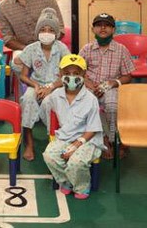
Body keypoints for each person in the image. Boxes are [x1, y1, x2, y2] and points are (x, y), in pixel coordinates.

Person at [42, 54, 103, 200]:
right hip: (64, 136)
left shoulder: (91, 99)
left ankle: (82, 185)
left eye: (76, 73)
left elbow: (93, 129)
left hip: (88, 140)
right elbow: (45, 115)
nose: (71, 77)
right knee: (49, 156)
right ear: (60, 74)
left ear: (84, 75)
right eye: (67, 73)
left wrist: (76, 145)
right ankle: (66, 181)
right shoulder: (55, 96)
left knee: (76, 162)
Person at [79, 13, 135, 159]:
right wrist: (90, 84)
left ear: (113, 29)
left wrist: (113, 82)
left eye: (107, 25)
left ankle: (115, 139)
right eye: (99, 25)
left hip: (111, 87)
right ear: (93, 29)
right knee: (88, 106)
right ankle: (103, 139)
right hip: (90, 86)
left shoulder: (121, 49)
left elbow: (128, 75)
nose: (103, 28)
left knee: (111, 106)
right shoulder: (87, 49)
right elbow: (78, 72)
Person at [18, 8, 70, 161]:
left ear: (56, 33)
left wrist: (50, 88)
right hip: (35, 84)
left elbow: (66, 75)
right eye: (42, 29)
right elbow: (23, 75)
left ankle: (52, 139)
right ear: (37, 32)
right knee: (27, 99)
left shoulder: (62, 49)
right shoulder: (31, 49)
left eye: (50, 29)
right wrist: (35, 86)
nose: (46, 32)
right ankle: (29, 141)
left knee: (49, 102)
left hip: (55, 86)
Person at [0, 0, 64, 72]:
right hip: (24, 49)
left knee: (63, 64)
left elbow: (61, 29)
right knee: (17, 64)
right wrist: (30, 50)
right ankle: (29, 88)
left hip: (50, 45)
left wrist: (45, 46)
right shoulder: (4, 7)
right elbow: (7, 38)